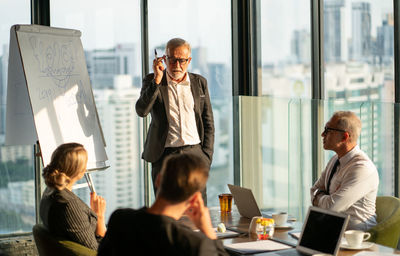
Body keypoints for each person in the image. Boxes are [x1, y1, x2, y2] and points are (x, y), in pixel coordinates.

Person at [98, 153, 228, 256]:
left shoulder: (120, 220)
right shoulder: (195, 244)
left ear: (158, 180)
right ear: (194, 200)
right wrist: (207, 230)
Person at [135, 38, 214, 202]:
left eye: (182, 60)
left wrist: (206, 157)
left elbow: (208, 122)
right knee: (165, 209)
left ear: (189, 60)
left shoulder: (199, 83)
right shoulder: (152, 80)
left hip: (195, 154)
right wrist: (156, 81)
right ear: (164, 58)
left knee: (197, 207)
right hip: (164, 156)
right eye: (172, 59)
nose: (176, 65)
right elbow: (141, 111)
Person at [310, 111, 379, 230]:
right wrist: (324, 198)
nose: (322, 134)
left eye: (328, 130)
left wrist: (319, 198)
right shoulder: (335, 160)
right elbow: (314, 190)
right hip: (331, 233)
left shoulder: (362, 168)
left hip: (357, 238)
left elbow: (332, 207)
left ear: (344, 137)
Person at [40, 143, 106, 250]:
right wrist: (100, 216)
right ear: (80, 171)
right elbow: (96, 251)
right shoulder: (68, 206)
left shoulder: (49, 192)